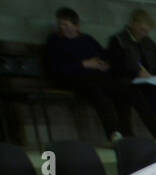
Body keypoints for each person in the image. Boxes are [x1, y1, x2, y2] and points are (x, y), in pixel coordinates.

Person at [44, 8, 120, 143]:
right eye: (61, 24)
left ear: (76, 26)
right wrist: (84, 64)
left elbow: (103, 54)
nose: (63, 28)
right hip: (71, 78)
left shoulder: (87, 39)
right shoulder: (55, 41)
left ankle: (127, 135)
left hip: (95, 77)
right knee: (97, 91)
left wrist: (104, 64)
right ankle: (114, 134)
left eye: (66, 25)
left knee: (123, 89)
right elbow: (55, 68)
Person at [106, 8, 156, 148]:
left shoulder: (148, 43)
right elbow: (115, 66)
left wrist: (153, 75)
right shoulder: (118, 40)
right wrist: (136, 74)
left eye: (146, 31)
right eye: (141, 30)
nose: (143, 33)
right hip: (126, 82)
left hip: (146, 82)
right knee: (137, 96)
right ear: (133, 24)